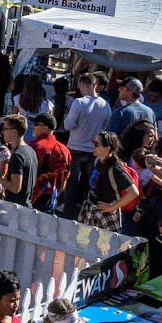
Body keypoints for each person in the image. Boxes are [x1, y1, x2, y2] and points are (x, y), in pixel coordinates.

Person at [64, 74, 112, 218]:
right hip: (93, 150)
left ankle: (68, 212)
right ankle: (85, 213)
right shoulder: (105, 105)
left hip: (75, 147)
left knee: (72, 181)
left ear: (82, 85)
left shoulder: (79, 102)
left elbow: (68, 125)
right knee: (88, 183)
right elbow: (106, 127)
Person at [81, 132, 141, 232]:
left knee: (105, 246)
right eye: (93, 142)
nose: (93, 146)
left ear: (107, 148)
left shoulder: (116, 169)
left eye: (96, 144)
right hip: (90, 209)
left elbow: (134, 192)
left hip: (105, 214)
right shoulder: (97, 161)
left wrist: (113, 207)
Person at [0, 114, 37, 203]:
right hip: (26, 203)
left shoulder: (17, 156)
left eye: (5, 129)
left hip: (15, 206)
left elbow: (16, 188)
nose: (2, 132)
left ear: (14, 132)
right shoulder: (30, 150)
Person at [30, 113, 74, 212]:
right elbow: (64, 179)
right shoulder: (65, 150)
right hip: (52, 198)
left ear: (45, 128)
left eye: (36, 124)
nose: (33, 127)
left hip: (33, 197)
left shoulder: (36, 146)